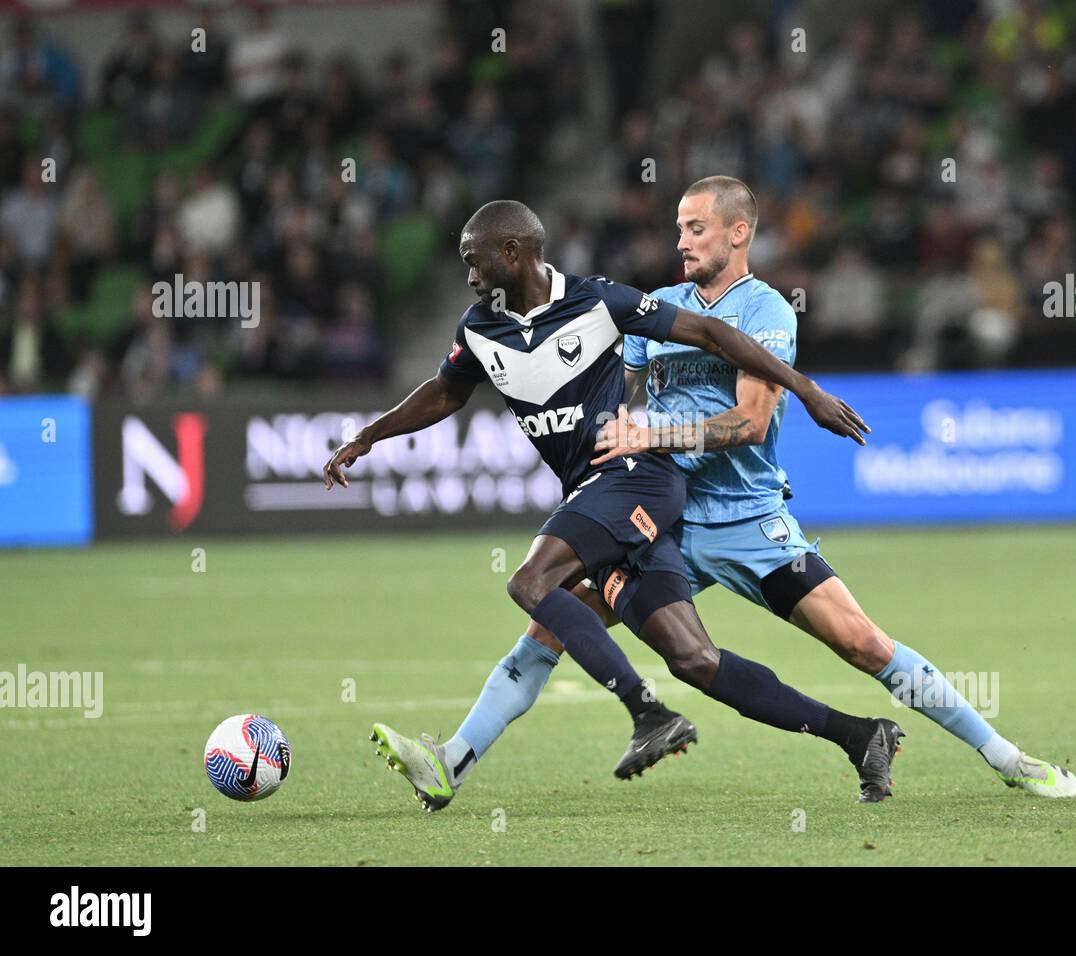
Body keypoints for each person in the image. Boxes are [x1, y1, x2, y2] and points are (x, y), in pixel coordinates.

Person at [322, 200, 903, 811]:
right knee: (694, 659)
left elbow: (711, 333)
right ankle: (861, 736)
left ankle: (643, 711)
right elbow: (445, 392)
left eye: (475, 260)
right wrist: (369, 436)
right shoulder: (479, 327)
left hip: (634, 476)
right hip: (597, 497)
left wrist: (805, 389)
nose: (468, 274)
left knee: (531, 582)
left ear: (514, 252)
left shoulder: (599, 301)